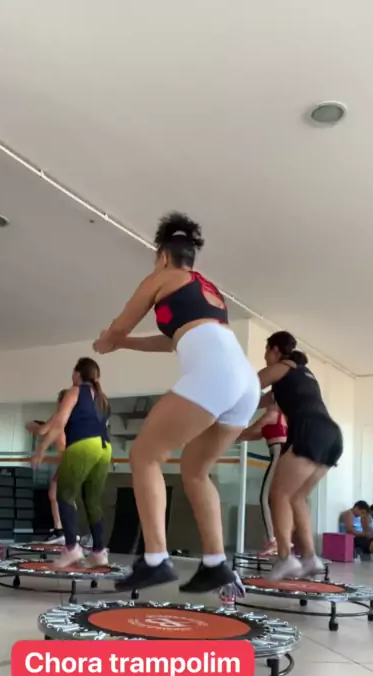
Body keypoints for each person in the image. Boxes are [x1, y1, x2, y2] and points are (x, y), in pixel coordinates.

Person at [93, 211, 259, 595]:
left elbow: (120, 324)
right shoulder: (206, 290)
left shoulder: (162, 276)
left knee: (144, 456)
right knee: (195, 471)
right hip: (243, 380)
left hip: (216, 373)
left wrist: (107, 341)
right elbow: (173, 340)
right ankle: (216, 563)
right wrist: (124, 344)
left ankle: (155, 559)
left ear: (164, 256)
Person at [258, 331, 343, 580]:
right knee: (296, 497)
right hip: (331, 435)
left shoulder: (282, 366)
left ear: (275, 350)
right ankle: (309, 558)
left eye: (266, 352)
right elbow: (259, 400)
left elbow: (247, 386)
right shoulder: (302, 376)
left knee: (279, 495)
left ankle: (285, 557)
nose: (265, 357)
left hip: (311, 430)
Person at [31, 358, 111, 568]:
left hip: (83, 445)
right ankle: (99, 552)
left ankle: (71, 548)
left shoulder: (75, 391)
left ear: (77, 373)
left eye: (73, 372)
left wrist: (40, 449)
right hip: (104, 448)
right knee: (92, 500)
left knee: (64, 495)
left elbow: (59, 423)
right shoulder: (103, 399)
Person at [238, 405, 288, 557]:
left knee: (264, 498)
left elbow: (254, 428)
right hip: (283, 455)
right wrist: (235, 438)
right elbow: (257, 435)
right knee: (279, 499)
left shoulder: (272, 414)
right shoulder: (282, 417)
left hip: (279, 454)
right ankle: (283, 540)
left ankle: (273, 541)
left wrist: (229, 434)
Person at [26, 389, 67, 544]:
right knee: (55, 495)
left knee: (56, 495)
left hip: (69, 460)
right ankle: (61, 530)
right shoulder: (72, 418)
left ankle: (62, 530)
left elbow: (41, 431)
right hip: (70, 460)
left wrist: (31, 425)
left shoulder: (59, 416)